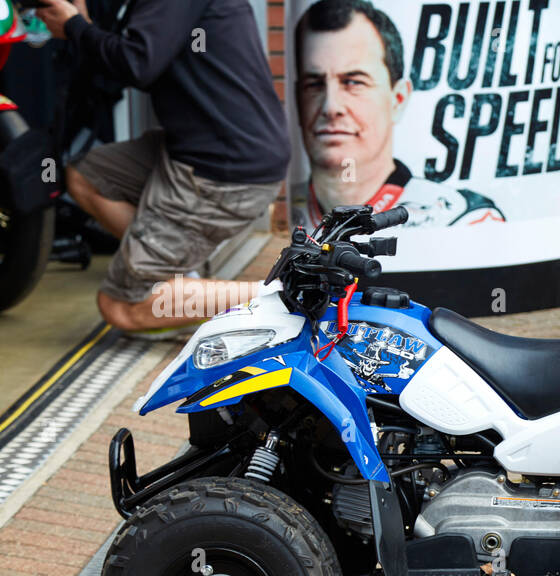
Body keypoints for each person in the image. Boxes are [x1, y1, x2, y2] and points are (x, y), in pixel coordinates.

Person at [36, 0, 289, 336]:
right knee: (87, 176)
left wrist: (74, 27)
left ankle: (283, 296)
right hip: (205, 151)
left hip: (220, 175)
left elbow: (139, 63)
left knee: (122, 305)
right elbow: (137, 54)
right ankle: (178, 279)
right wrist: (83, 25)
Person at [292, 0, 504, 231]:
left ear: (399, 99)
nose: (331, 107)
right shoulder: (282, 213)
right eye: (314, 85)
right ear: (297, 99)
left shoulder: (462, 217)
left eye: (354, 82)